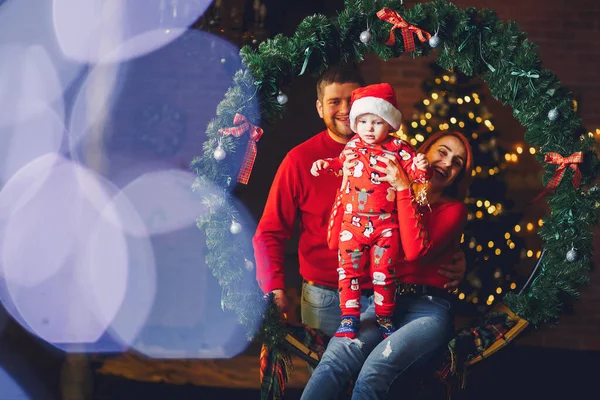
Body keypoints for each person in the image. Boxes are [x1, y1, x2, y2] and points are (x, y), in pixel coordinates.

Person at [252, 65, 466, 339]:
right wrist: (273, 286)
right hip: (325, 296)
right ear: (319, 108)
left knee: (377, 378)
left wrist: (456, 257)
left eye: (350, 101)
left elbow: (423, 214)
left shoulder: (395, 154)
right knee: (332, 373)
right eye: (334, 102)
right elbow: (270, 230)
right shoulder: (300, 160)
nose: (343, 109)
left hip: (389, 293)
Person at [300, 130, 474, 400]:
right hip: (383, 305)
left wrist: (404, 187)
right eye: (442, 152)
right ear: (422, 154)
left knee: (376, 369)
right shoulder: (383, 194)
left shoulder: (453, 210)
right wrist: (348, 181)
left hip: (429, 309)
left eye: (457, 163)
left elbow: (415, 252)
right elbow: (336, 241)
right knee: (335, 357)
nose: (447, 163)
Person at [310, 83, 432, 339]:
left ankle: (385, 317)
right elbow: (340, 164)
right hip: (351, 226)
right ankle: (349, 317)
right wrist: (326, 164)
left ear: (389, 124)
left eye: (376, 122)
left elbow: (418, 177)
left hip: (385, 227)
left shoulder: (399, 149)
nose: (369, 128)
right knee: (348, 272)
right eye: (363, 121)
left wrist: (422, 166)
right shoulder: (353, 146)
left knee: (384, 275)